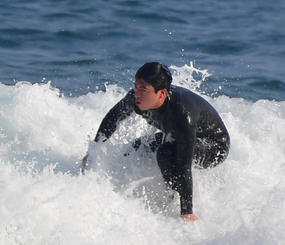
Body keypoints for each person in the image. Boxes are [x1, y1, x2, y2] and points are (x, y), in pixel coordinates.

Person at [80, 63, 230, 220]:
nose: (136, 94)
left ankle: (172, 203)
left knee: (166, 153)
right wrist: (92, 152)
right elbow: (112, 118)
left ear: (161, 93)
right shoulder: (138, 100)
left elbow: (183, 166)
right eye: (136, 87)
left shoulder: (182, 116)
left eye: (143, 89)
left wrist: (187, 211)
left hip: (214, 146)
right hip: (178, 136)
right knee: (136, 149)